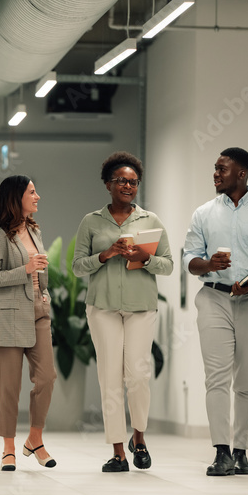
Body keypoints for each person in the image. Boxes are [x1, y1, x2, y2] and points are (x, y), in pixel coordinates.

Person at [183, 147, 248, 477]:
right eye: (215, 168)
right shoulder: (203, 213)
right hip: (214, 299)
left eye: (222, 169)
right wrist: (208, 263)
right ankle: (221, 452)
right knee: (216, 378)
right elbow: (190, 258)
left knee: (247, 382)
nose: (215, 174)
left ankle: (242, 451)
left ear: (241, 174)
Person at [73, 151, 173, 473]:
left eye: (133, 182)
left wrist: (143, 259)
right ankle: (118, 451)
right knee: (110, 379)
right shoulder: (91, 221)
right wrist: (105, 254)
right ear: (108, 184)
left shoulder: (150, 221)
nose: (128, 186)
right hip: (102, 308)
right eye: (121, 181)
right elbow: (77, 267)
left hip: (141, 307)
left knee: (138, 376)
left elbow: (168, 265)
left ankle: (139, 439)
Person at [0, 176, 57, 471]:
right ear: (17, 197)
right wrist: (25, 269)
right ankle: (9, 448)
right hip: (9, 317)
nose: (38, 197)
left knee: (47, 378)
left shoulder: (35, 231)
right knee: (9, 387)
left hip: (39, 313)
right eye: (32, 192)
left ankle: (35, 438)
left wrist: (45, 296)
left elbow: (41, 273)